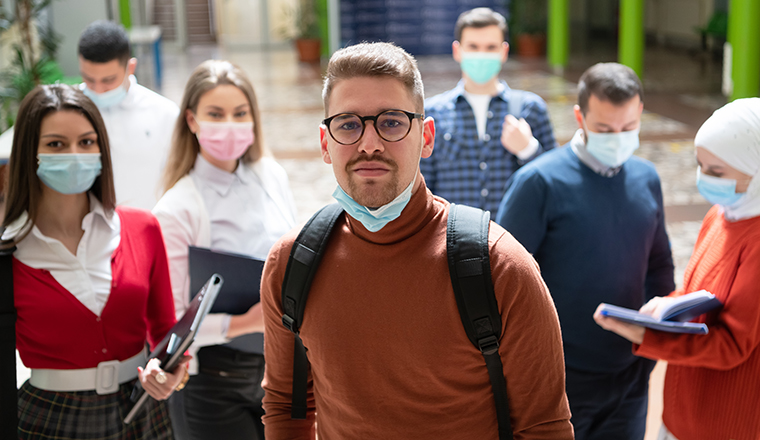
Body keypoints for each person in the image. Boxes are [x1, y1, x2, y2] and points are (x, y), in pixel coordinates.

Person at [260, 42, 573, 439]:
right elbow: (286, 409)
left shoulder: (499, 267)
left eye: (391, 122)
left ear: (426, 138)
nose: (369, 143)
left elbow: (544, 427)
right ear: (326, 143)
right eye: (348, 124)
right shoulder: (292, 264)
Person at [495, 63, 675, 439]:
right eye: (605, 129)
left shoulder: (646, 178)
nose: (618, 138)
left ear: (640, 112)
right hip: (560, 379)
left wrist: (653, 343)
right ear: (580, 116)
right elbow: (501, 283)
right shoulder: (538, 183)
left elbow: (658, 265)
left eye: (628, 129)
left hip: (630, 375)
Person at [2, 84, 187, 439]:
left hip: (143, 410)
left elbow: (165, 333)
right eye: (56, 144)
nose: (74, 154)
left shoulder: (142, 227)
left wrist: (173, 373)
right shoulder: (8, 253)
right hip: (50, 417)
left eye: (86, 142)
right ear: (29, 153)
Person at [594, 98, 760, 440]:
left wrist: (648, 336)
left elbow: (732, 343)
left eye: (717, 172)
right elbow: (701, 289)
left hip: (724, 423)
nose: (705, 179)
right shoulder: (722, 215)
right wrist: (667, 304)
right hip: (683, 411)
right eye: (700, 166)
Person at [152, 60, 296, 440]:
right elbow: (170, 320)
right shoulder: (176, 208)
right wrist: (244, 322)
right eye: (215, 114)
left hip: (278, 369)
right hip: (213, 383)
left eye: (240, 113)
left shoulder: (271, 176)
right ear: (192, 120)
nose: (229, 124)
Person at [421, 7, 557, 218]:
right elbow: (421, 187)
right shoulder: (433, 113)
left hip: (514, 239)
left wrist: (529, 150)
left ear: (503, 52)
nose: (481, 55)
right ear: (457, 51)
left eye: (490, 47)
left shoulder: (531, 109)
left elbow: (555, 183)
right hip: (452, 240)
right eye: (473, 47)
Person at [78, 20, 179, 209]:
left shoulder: (164, 114)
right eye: (89, 79)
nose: (98, 89)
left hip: (148, 225)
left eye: (108, 80)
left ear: (130, 68)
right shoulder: (70, 112)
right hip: (89, 229)